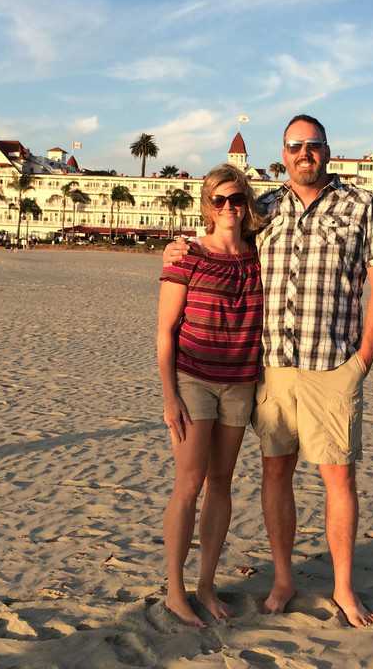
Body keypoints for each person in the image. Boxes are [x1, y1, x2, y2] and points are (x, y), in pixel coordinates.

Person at [164, 114, 373, 627]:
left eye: (313, 145)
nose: (304, 153)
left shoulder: (361, 205)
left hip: (332, 363)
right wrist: (176, 244)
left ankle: (342, 588)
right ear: (284, 152)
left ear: (327, 151)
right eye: (295, 146)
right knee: (275, 473)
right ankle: (284, 577)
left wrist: (365, 357)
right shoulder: (264, 208)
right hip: (272, 367)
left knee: (338, 478)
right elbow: (217, 231)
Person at [157, 164, 264, 627]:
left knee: (222, 484)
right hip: (194, 380)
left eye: (236, 200)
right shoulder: (188, 255)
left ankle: (206, 584)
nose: (228, 209)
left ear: (247, 204)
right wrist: (170, 397)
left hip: (240, 382)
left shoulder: (260, 255)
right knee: (189, 484)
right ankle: (174, 591)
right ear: (207, 205)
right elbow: (165, 332)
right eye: (218, 201)